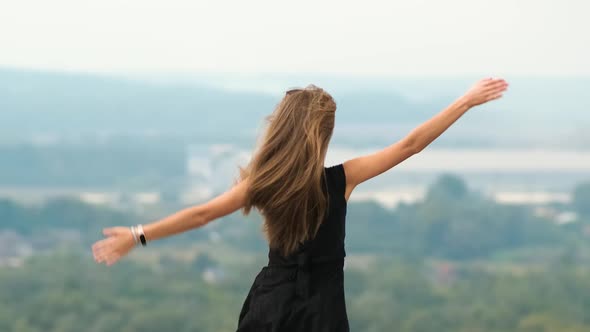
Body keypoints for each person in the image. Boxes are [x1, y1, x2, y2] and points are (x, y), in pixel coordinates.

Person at [92, 78, 509, 331]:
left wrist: (138, 235)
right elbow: (410, 145)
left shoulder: (264, 183)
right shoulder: (342, 178)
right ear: (323, 136)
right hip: (321, 308)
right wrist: (464, 101)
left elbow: (201, 214)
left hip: (272, 300)